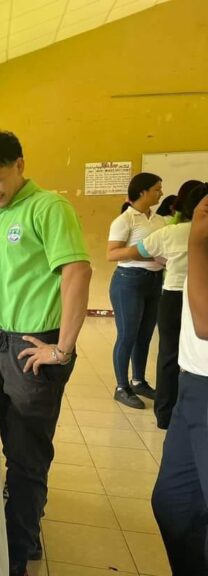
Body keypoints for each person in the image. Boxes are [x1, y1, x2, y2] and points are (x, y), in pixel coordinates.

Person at [0, 131, 92, 576]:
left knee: (26, 455)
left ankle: (18, 555)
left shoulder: (49, 208)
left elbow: (77, 270)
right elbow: (0, 275)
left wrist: (63, 348)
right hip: (1, 341)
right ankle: (18, 529)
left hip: (36, 346)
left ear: (19, 164)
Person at [117, 183, 208, 428]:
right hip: (195, 298)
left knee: (169, 355)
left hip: (173, 297)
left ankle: (165, 414)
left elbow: (137, 250)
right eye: (156, 188)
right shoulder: (169, 229)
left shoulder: (170, 231)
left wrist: (162, 258)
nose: (159, 192)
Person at [152, 188, 208, 574]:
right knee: (174, 504)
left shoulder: (197, 241)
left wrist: (196, 242)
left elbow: (205, 325)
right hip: (193, 385)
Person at [107, 173, 167, 409]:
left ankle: (139, 381)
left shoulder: (159, 220)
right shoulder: (125, 220)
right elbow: (111, 254)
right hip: (128, 281)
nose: (161, 193)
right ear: (142, 192)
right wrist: (144, 251)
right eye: (157, 189)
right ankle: (122, 387)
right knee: (128, 335)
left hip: (154, 280)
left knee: (145, 336)